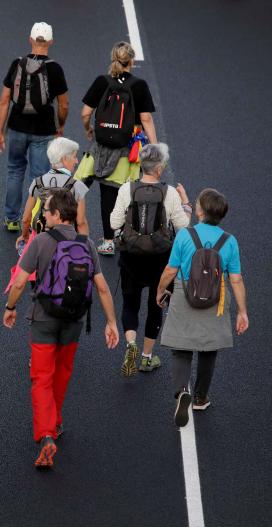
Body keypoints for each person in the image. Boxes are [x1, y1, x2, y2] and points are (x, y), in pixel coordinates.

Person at [3, 188, 119, 469]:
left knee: (41, 378)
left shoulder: (41, 241)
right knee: (62, 373)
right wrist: (112, 323)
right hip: (74, 320)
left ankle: (45, 435)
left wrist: (10, 308)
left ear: (57, 215)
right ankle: (55, 422)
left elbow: (19, 282)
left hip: (44, 318)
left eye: (46, 210)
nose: (43, 214)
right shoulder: (87, 243)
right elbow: (102, 287)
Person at [155, 189, 248, 427]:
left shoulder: (185, 235)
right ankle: (200, 397)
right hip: (216, 300)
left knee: (181, 348)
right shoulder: (230, 241)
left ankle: (180, 391)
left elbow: (170, 270)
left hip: (185, 294)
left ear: (200, 211)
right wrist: (242, 311)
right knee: (209, 349)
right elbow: (235, 279)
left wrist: (160, 290)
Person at [110, 143, 190, 376]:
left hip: (131, 256)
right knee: (156, 305)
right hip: (160, 258)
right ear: (159, 168)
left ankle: (131, 344)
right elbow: (183, 228)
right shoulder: (171, 193)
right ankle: (146, 357)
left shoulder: (127, 189)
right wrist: (186, 205)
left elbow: (114, 223)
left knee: (130, 303)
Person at [80, 41, 157, 256]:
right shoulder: (139, 85)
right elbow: (146, 118)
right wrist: (155, 146)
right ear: (131, 61)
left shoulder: (102, 81)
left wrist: (89, 130)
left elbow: (85, 113)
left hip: (102, 145)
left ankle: (107, 241)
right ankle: (125, 234)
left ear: (113, 58)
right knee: (127, 191)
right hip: (128, 147)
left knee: (105, 194)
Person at [0, 22, 69, 232]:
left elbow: (4, 100)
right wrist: (60, 126)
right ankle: (36, 217)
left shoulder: (17, 64)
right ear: (51, 42)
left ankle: (11, 218)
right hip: (44, 129)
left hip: (17, 126)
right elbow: (64, 103)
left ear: (31, 39)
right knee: (39, 176)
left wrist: (0, 131)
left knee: (15, 170)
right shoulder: (54, 69)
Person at [16, 136, 89, 251]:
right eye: (74, 156)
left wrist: (24, 236)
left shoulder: (38, 182)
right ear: (64, 158)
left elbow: (26, 217)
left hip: (41, 240)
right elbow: (80, 223)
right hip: (66, 242)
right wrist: (82, 249)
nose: (77, 161)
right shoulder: (77, 186)